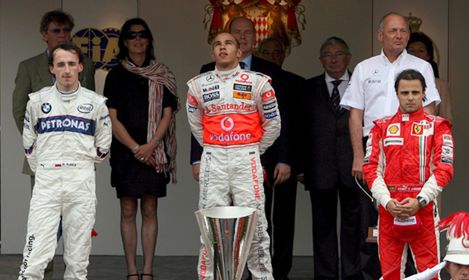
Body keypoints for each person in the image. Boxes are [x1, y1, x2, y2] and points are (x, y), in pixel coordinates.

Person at [340, 12, 441, 279]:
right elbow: (355, 114)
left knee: (413, 213)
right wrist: (358, 157)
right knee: (371, 218)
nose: (399, 35)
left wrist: (427, 156)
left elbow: (430, 111)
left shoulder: (423, 66)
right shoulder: (364, 67)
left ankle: (410, 275)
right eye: (393, 30)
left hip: (412, 148)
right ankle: (374, 275)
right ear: (380, 35)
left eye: (403, 31)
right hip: (373, 149)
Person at [190, 17, 291, 279]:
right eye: (218, 44)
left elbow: (274, 124)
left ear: (240, 51)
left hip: (247, 157)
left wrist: (253, 149)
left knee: (256, 227)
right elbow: (196, 126)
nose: (223, 47)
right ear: (212, 51)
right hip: (214, 157)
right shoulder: (197, 85)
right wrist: (215, 147)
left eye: (229, 43)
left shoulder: (259, 82)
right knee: (210, 226)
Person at [12, 11, 95, 278]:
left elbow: (91, 110)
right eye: (57, 31)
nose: (62, 35)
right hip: (44, 160)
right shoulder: (29, 66)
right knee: (44, 222)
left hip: (77, 161)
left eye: (66, 31)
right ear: (44, 35)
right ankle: (42, 269)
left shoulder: (86, 64)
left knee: (76, 224)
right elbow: (19, 111)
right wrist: (39, 147)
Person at [18, 43, 111, 280]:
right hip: (47, 180)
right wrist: (48, 167)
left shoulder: (96, 103)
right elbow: (29, 143)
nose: (66, 69)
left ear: (80, 66)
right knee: (34, 258)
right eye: (60, 64)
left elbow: (103, 144)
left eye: (71, 63)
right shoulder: (36, 102)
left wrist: (82, 165)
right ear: (52, 68)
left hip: (81, 180)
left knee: (78, 261)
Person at [103, 18, 178, 280]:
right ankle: (131, 272)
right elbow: (112, 117)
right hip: (126, 153)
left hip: (154, 151)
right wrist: (136, 148)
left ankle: (147, 271)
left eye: (142, 35)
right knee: (127, 210)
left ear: (149, 39)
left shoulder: (162, 73)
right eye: (132, 35)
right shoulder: (115, 75)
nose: (138, 39)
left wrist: (152, 145)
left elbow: (168, 114)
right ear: (124, 41)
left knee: (149, 209)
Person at [362, 69, 454, 279]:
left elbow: (445, 169)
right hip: (389, 211)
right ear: (396, 94)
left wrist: (420, 200)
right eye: (405, 93)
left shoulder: (438, 127)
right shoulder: (381, 127)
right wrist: (386, 201)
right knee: (390, 274)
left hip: (423, 209)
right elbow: (370, 169)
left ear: (424, 93)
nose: (410, 97)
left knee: (429, 273)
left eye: (415, 92)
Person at [299, 36, 363, 280]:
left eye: (338, 53)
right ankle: (325, 276)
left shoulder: (361, 84)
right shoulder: (308, 87)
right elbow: (302, 130)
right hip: (319, 167)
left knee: (353, 225)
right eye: (328, 54)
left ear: (348, 57)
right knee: (322, 227)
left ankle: (352, 274)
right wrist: (301, 167)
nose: (333, 58)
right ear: (321, 60)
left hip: (353, 167)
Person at [257, 36, 303, 280]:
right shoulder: (251, 81)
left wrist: (297, 163)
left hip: (287, 160)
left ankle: (281, 270)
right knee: (259, 219)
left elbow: (301, 127)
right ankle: (260, 269)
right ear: (258, 53)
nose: (273, 55)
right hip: (258, 161)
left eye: (277, 51)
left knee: (284, 219)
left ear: (284, 54)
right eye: (267, 51)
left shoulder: (296, 83)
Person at [407, 32, 453, 121]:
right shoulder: (397, 81)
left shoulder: (441, 85)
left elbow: (446, 118)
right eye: (412, 51)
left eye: (421, 51)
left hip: (430, 132)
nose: (416, 55)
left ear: (428, 55)